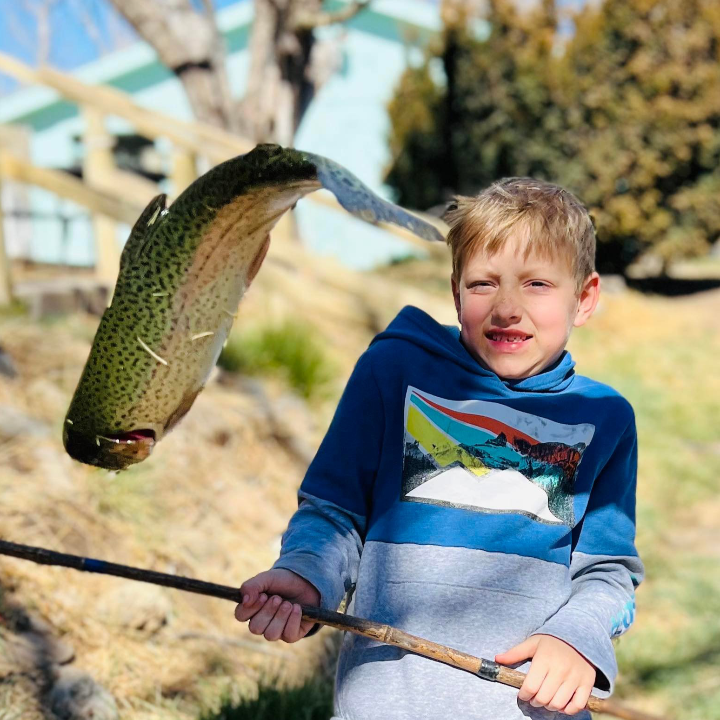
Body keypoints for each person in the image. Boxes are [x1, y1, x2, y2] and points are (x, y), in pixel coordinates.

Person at [234, 178, 644, 720]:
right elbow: (334, 513)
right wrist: (307, 573)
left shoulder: (607, 419)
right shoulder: (392, 373)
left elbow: (609, 574)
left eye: (537, 284)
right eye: (482, 284)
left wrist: (577, 639)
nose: (506, 307)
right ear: (455, 292)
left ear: (584, 298)